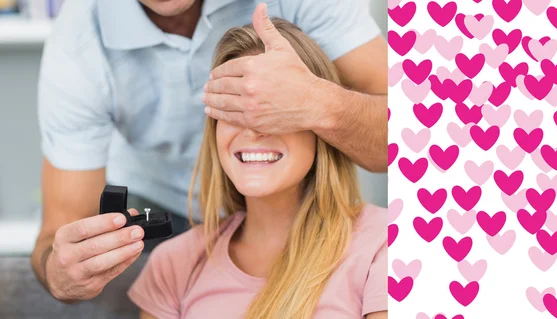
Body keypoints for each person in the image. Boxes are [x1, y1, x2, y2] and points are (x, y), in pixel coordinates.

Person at [32, 0, 387, 304]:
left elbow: (410, 141)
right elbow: (58, 233)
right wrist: (64, 273)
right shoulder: (78, 40)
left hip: (303, 207)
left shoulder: (379, 253)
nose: (252, 130)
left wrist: (318, 102)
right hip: (158, 209)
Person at [127, 17, 387, 319]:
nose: (253, 130)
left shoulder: (384, 243)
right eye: (234, 109)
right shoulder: (175, 262)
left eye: (272, 111)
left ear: (320, 128)